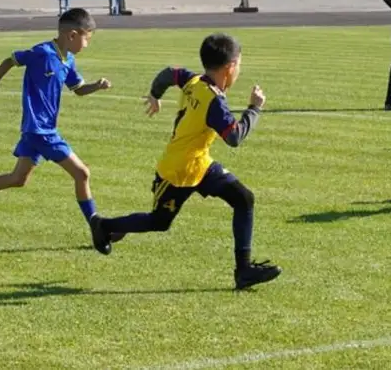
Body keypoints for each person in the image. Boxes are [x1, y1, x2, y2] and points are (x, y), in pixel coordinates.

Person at [89, 33, 282, 291]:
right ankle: (104, 225)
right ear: (230, 68)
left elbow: (169, 73)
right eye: (240, 65)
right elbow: (235, 137)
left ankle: (244, 270)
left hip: (200, 164)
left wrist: (155, 94)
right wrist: (254, 108)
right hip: (177, 171)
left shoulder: (193, 79)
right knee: (159, 222)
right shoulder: (214, 103)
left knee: (243, 198)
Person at [0, 8, 113, 245]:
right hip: (40, 131)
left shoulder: (68, 60)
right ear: (72, 35)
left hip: (37, 131)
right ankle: (98, 227)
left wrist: (96, 85)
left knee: (18, 178)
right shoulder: (41, 53)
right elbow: (10, 60)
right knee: (82, 173)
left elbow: (78, 90)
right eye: (87, 38)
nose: (87, 45)